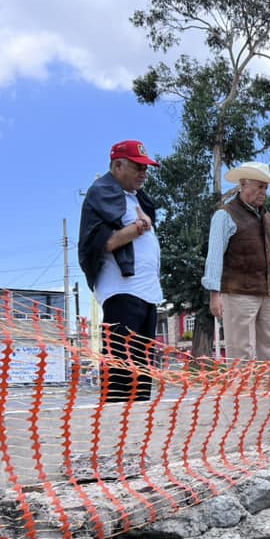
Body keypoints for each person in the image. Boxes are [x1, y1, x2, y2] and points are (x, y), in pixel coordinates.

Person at [78, 140, 161, 402]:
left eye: (146, 168)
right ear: (117, 165)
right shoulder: (102, 195)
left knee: (141, 371)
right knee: (120, 373)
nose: (143, 174)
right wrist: (138, 228)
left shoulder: (134, 198)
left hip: (146, 294)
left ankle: (137, 433)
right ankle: (116, 432)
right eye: (138, 167)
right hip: (122, 293)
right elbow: (105, 243)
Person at [202, 161, 270, 362]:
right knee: (240, 352)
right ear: (243, 185)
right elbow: (214, 255)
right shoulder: (224, 215)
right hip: (238, 293)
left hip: (269, 291)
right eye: (259, 187)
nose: (263, 192)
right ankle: (242, 394)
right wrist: (215, 294)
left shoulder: (266, 217)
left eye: (266, 187)